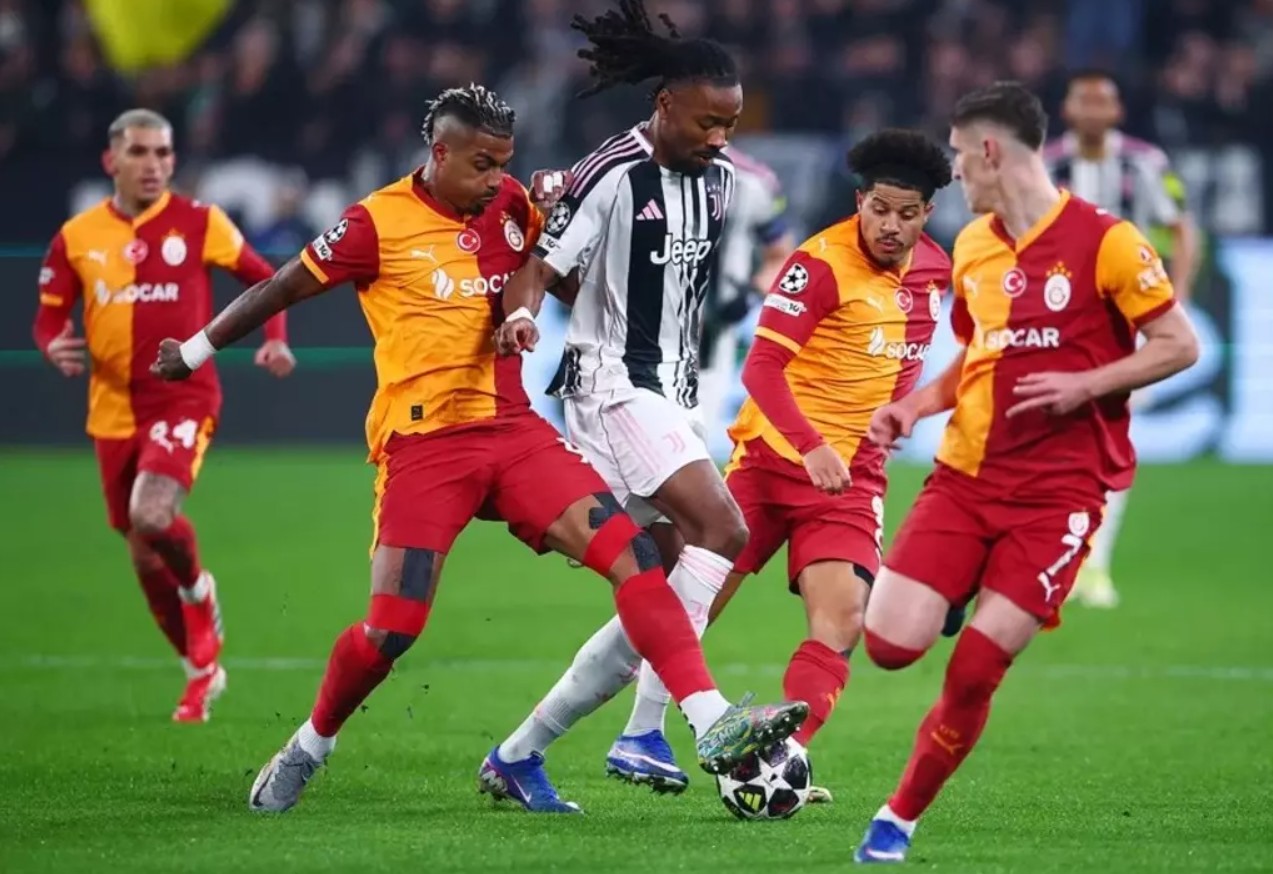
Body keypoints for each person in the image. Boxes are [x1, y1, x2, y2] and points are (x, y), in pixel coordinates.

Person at [150, 84, 807, 815]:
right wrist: (197, 349)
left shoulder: (513, 207)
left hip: (513, 432)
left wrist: (548, 256)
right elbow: (280, 287)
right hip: (424, 445)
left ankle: (707, 720)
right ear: (440, 153)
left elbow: (560, 282)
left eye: (505, 163)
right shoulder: (375, 222)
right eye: (483, 164)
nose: (498, 180)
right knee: (392, 629)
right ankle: (311, 743)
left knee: (638, 557)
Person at [853, 81, 1200, 864]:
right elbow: (977, 358)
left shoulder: (1108, 241)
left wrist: (1087, 384)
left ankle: (897, 819)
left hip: (1058, 495)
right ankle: (962, 587)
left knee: (975, 671)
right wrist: (914, 406)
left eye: (956, 153)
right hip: (964, 479)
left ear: (988, 151)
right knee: (888, 646)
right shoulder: (974, 245)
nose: (951, 171)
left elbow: (1179, 344)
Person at [606, 129, 956, 804]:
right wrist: (811, 444)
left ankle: (781, 761)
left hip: (851, 477)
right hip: (770, 464)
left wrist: (905, 415)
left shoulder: (935, 270)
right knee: (688, 608)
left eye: (906, 213)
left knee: (842, 619)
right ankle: (641, 732)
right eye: (879, 209)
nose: (890, 225)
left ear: (927, 214)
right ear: (859, 202)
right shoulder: (817, 264)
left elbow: (928, 363)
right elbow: (761, 368)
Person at [485, 0, 766, 808]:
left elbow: (631, 280)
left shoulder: (720, 183)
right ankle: (654, 730)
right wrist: (520, 315)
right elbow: (541, 267)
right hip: (611, 385)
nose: (720, 137)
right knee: (725, 531)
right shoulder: (611, 171)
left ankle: (518, 753)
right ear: (664, 104)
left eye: (731, 123)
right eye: (707, 122)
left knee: (665, 587)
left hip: (670, 391)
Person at [32, 108, 294, 723]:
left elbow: (268, 279)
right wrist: (52, 343)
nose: (154, 165)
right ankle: (201, 672)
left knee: (150, 515)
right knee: (142, 550)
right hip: (111, 410)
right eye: (140, 152)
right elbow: (48, 315)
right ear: (111, 161)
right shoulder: (77, 236)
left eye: (163, 153)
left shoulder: (200, 222)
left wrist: (274, 338)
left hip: (183, 397)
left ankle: (199, 591)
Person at [1044, 68, 1202, 608]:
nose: (1092, 110)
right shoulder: (1046, 165)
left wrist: (1175, 299)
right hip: (1059, 322)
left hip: (1126, 321)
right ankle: (1059, 554)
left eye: (1102, 102)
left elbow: (1182, 229)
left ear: (1116, 111)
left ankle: (1093, 564)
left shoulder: (1145, 162)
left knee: (1109, 436)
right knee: (1054, 440)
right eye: (1083, 100)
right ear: (1068, 110)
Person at [696, 145, 795, 452]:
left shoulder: (752, 182)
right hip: (644, 330)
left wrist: (749, 292)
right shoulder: (637, 168)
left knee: (693, 439)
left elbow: (781, 254)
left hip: (714, 333)